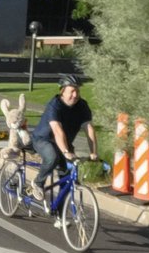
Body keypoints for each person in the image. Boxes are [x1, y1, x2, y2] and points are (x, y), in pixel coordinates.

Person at [30, 75, 98, 205]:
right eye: (71, 91)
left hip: (64, 144)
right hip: (43, 139)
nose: (75, 94)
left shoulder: (82, 106)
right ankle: (38, 182)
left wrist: (94, 152)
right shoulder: (55, 105)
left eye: (77, 91)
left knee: (69, 177)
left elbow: (89, 128)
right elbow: (57, 130)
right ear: (63, 91)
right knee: (53, 157)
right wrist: (66, 152)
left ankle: (59, 215)